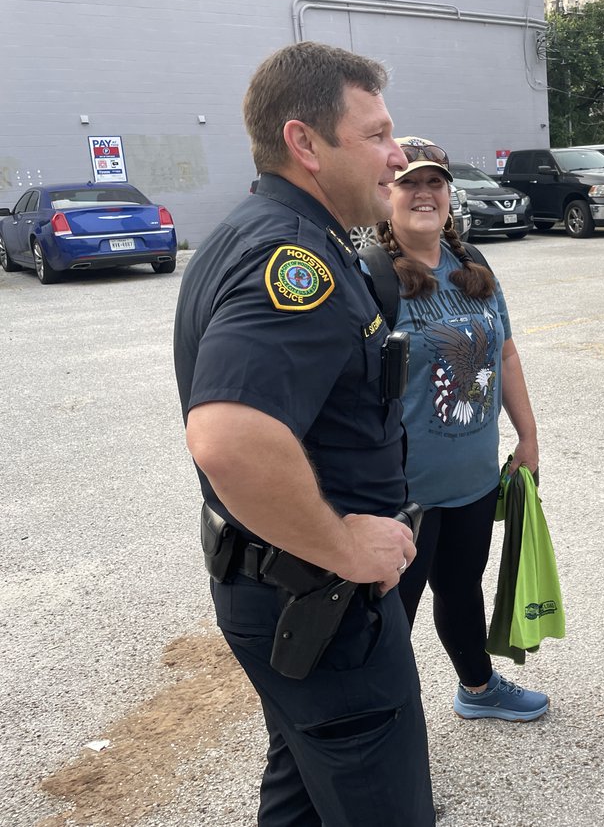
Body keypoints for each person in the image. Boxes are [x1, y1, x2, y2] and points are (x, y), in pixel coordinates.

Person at [173, 42, 435, 826]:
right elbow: (227, 437)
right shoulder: (291, 262)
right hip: (319, 599)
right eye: (378, 135)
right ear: (305, 144)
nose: (397, 157)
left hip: (285, 596)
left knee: (304, 796)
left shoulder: (261, 232)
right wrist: (346, 548)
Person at [377, 135, 549, 722]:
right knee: (389, 618)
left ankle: (477, 689)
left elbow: (505, 354)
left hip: (473, 477)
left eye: (435, 183)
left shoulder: (473, 266)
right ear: (388, 192)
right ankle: (388, 734)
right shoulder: (371, 275)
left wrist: (527, 434)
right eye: (410, 182)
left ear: (449, 194)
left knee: (460, 587)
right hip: (404, 491)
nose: (423, 193)